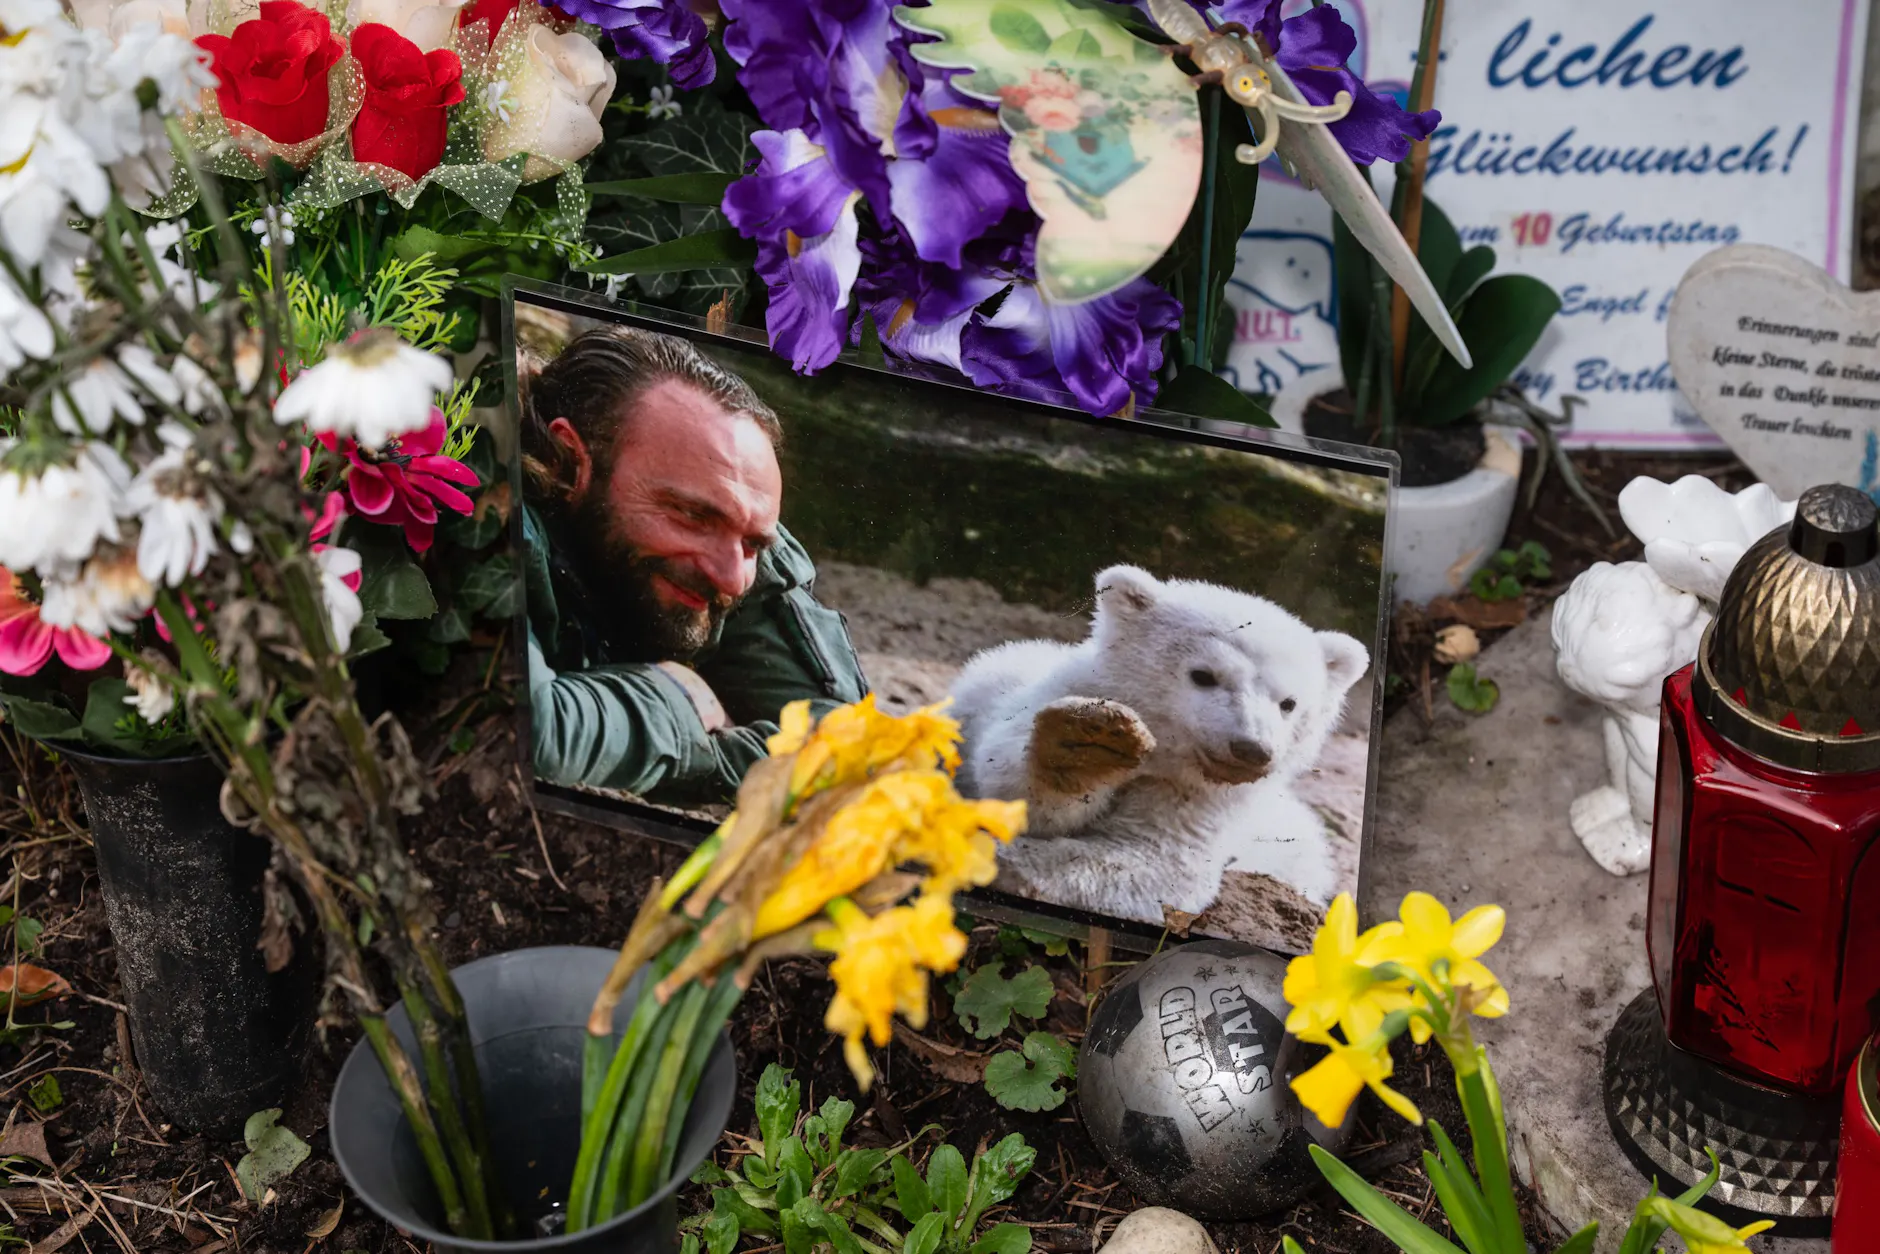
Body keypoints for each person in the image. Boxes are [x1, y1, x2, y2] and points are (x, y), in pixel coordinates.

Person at [520, 324, 868, 807]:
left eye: (753, 543)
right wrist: (676, 698)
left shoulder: (734, 534)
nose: (730, 576)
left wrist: (702, 756)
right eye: (691, 516)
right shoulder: (499, 506)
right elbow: (531, 734)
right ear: (568, 463)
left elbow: (848, 742)